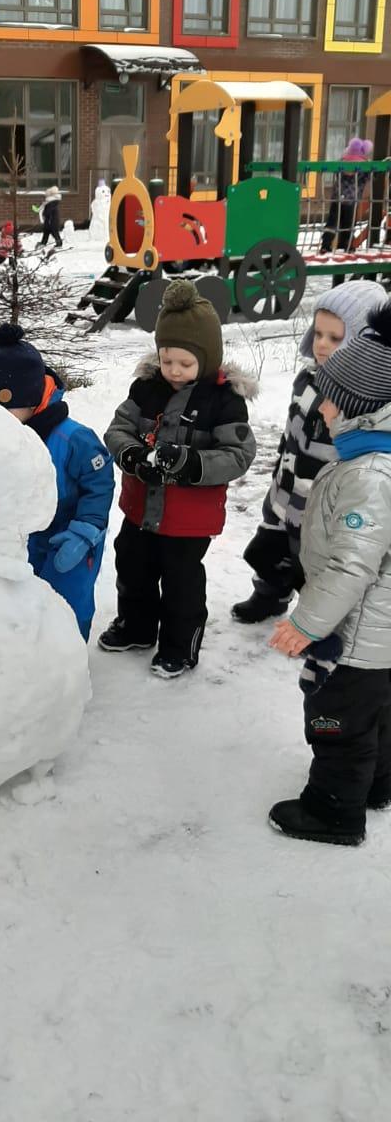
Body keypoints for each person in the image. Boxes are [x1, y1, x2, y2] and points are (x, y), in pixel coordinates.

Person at [269, 300, 391, 846]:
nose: (322, 414)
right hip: (377, 634)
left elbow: (351, 562)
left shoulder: (370, 475)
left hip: (357, 633)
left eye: (332, 406)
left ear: (363, 409)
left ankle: (332, 811)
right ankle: (377, 785)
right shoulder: (371, 461)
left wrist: (309, 624)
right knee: (375, 714)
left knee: (336, 719)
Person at [101, 280, 257, 678]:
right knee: (132, 567)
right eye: (167, 360)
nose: (173, 371)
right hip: (141, 510)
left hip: (188, 520)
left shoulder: (223, 401)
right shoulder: (146, 388)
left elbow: (238, 455)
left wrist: (190, 463)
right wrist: (133, 455)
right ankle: (136, 627)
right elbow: (118, 429)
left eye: (185, 364)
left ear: (206, 359)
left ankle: (179, 647)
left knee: (181, 584)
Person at [233, 280, 388, 624]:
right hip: (287, 489)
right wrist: (279, 472)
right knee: (271, 551)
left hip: (323, 507)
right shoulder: (307, 379)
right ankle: (269, 594)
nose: (321, 345)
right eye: (318, 334)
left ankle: (316, 620)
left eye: (335, 338)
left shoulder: (359, 400)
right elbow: (291, 432)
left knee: (313, 565)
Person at [0, 324, 114, 639]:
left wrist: (85, 530)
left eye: (11, 407)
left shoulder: (74, 438)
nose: (3, 416)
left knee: (67, 600)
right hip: (26, 535)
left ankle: (70, 659)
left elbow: (99, 483)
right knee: (24, 598)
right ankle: (32, 656)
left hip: (72, 534)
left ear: (34, 398)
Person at [319, 137, 373, 254]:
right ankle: (346, 245)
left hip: (337, 198)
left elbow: (336, 172)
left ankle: (326, 244)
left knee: (332, 222)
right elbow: (370, 177)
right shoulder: (363, 169)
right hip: (352, 200)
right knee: (349, 223)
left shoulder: (342, 163)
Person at [35, 186, 63, 250]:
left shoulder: (51, 203)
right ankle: (43, 243)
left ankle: (59, 243)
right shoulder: (52, 202)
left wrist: (44, 214)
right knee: (46, 232)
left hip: (51, 221)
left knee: (54, 232)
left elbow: (48, 212)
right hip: (51, 220)